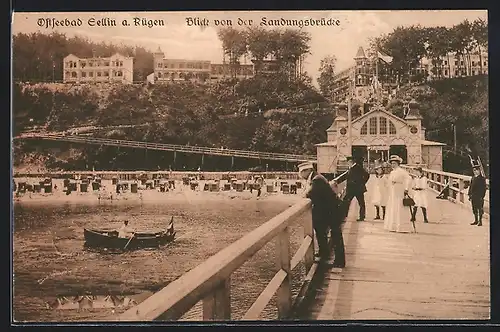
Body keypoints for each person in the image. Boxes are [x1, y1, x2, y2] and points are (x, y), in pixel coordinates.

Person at [299, 162, 345, 267]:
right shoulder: (317, 177)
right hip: (330, 209)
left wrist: (304, 195)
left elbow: (309, 194)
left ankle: (339, 261)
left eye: (301, 173)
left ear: (307, 171)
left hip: (332, 210)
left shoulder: (317, 180)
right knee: (323, 231)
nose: (300, 175)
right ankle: (325, 253)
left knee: (335, 235)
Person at [383, 155, 413, 233]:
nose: (393, 165)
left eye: (394, 163)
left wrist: (406, 189)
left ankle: (402, 227)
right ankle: (393, 226)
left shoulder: (402, 171)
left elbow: (408, 179)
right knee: (393, 206)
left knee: (399, 206)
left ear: (398, 163)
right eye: (392, 163)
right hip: (393, 191)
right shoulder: (392, 172)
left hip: (399, 190)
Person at [342, 156, 370, 222]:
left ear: (351, 162)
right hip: (352, 189)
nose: (348, 163)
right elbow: (345, 176)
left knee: (360, 203)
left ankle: (362, 217)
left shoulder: (358, 167)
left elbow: (367, 175)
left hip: (358, 189)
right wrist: (336, 181)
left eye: (348, 162)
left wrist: (362, 183)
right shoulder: (350, 168)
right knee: (346, 202)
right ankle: (344, 216)